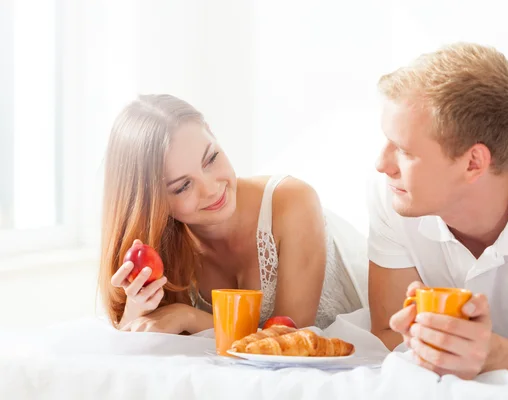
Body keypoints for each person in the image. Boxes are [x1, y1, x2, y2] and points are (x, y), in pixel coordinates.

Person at [367, 42, 508, 384]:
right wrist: (421, 338)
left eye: (404, 150)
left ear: (474, 162)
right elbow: (388, 335)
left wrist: (497, 356)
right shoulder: (395, 195)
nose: (382, 165)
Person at [98, 94, 362, 334]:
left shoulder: (292, 202)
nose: (212, 189)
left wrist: (187, 316)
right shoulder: (158, 248)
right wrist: (137, 306)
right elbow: (133, 343)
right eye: (183, 186)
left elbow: (286, 342)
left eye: (211, 158)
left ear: (213, 135)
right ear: (151, 204)